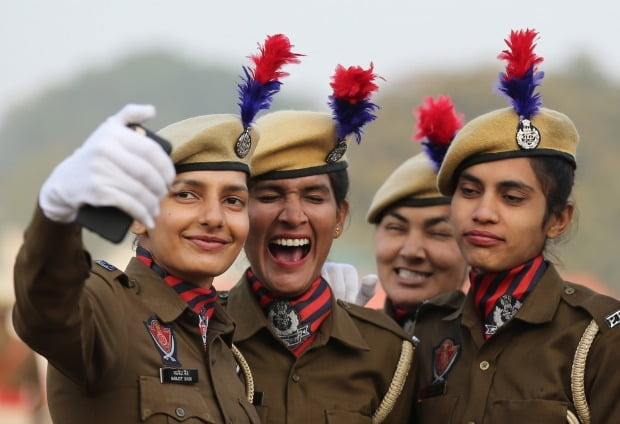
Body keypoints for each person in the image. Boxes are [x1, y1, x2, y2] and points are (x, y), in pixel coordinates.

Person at [12, 34, 301, 423]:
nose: (215, 217)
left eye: (233, 201)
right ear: (137, 213)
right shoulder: (106, 305)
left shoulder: (221, 337)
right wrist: (56, 214)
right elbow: (45, 308)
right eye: (187, 195)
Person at [411, 29, 620, 423]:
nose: (483, 212)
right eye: (470, 191)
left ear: (558, 219)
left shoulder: (598, 337)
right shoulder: (430, 327)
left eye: (512, 197)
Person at [220, 64, 416, 423]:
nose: (293, 216)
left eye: (313, 197)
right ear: (238, 212)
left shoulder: (389, 352)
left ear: (340, 218)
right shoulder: (202, 334)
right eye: (269, 196)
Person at [366, 95, 469, 332]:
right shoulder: (351, 342)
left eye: (439, 232)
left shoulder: (492, 352)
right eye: (396, 228)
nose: (411, 251)